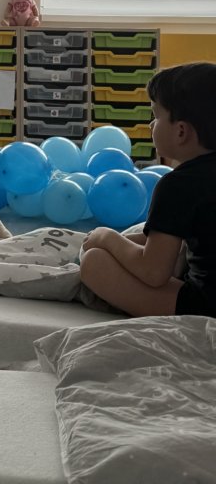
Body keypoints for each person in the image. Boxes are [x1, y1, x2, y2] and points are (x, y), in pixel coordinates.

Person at [79, 61, 216, 317]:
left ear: (181, 131)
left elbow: (153, 272)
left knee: (94, 262)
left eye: (156, 115)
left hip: (203, 307)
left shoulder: (178, 185)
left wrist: (107, 238)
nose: (151, 125)